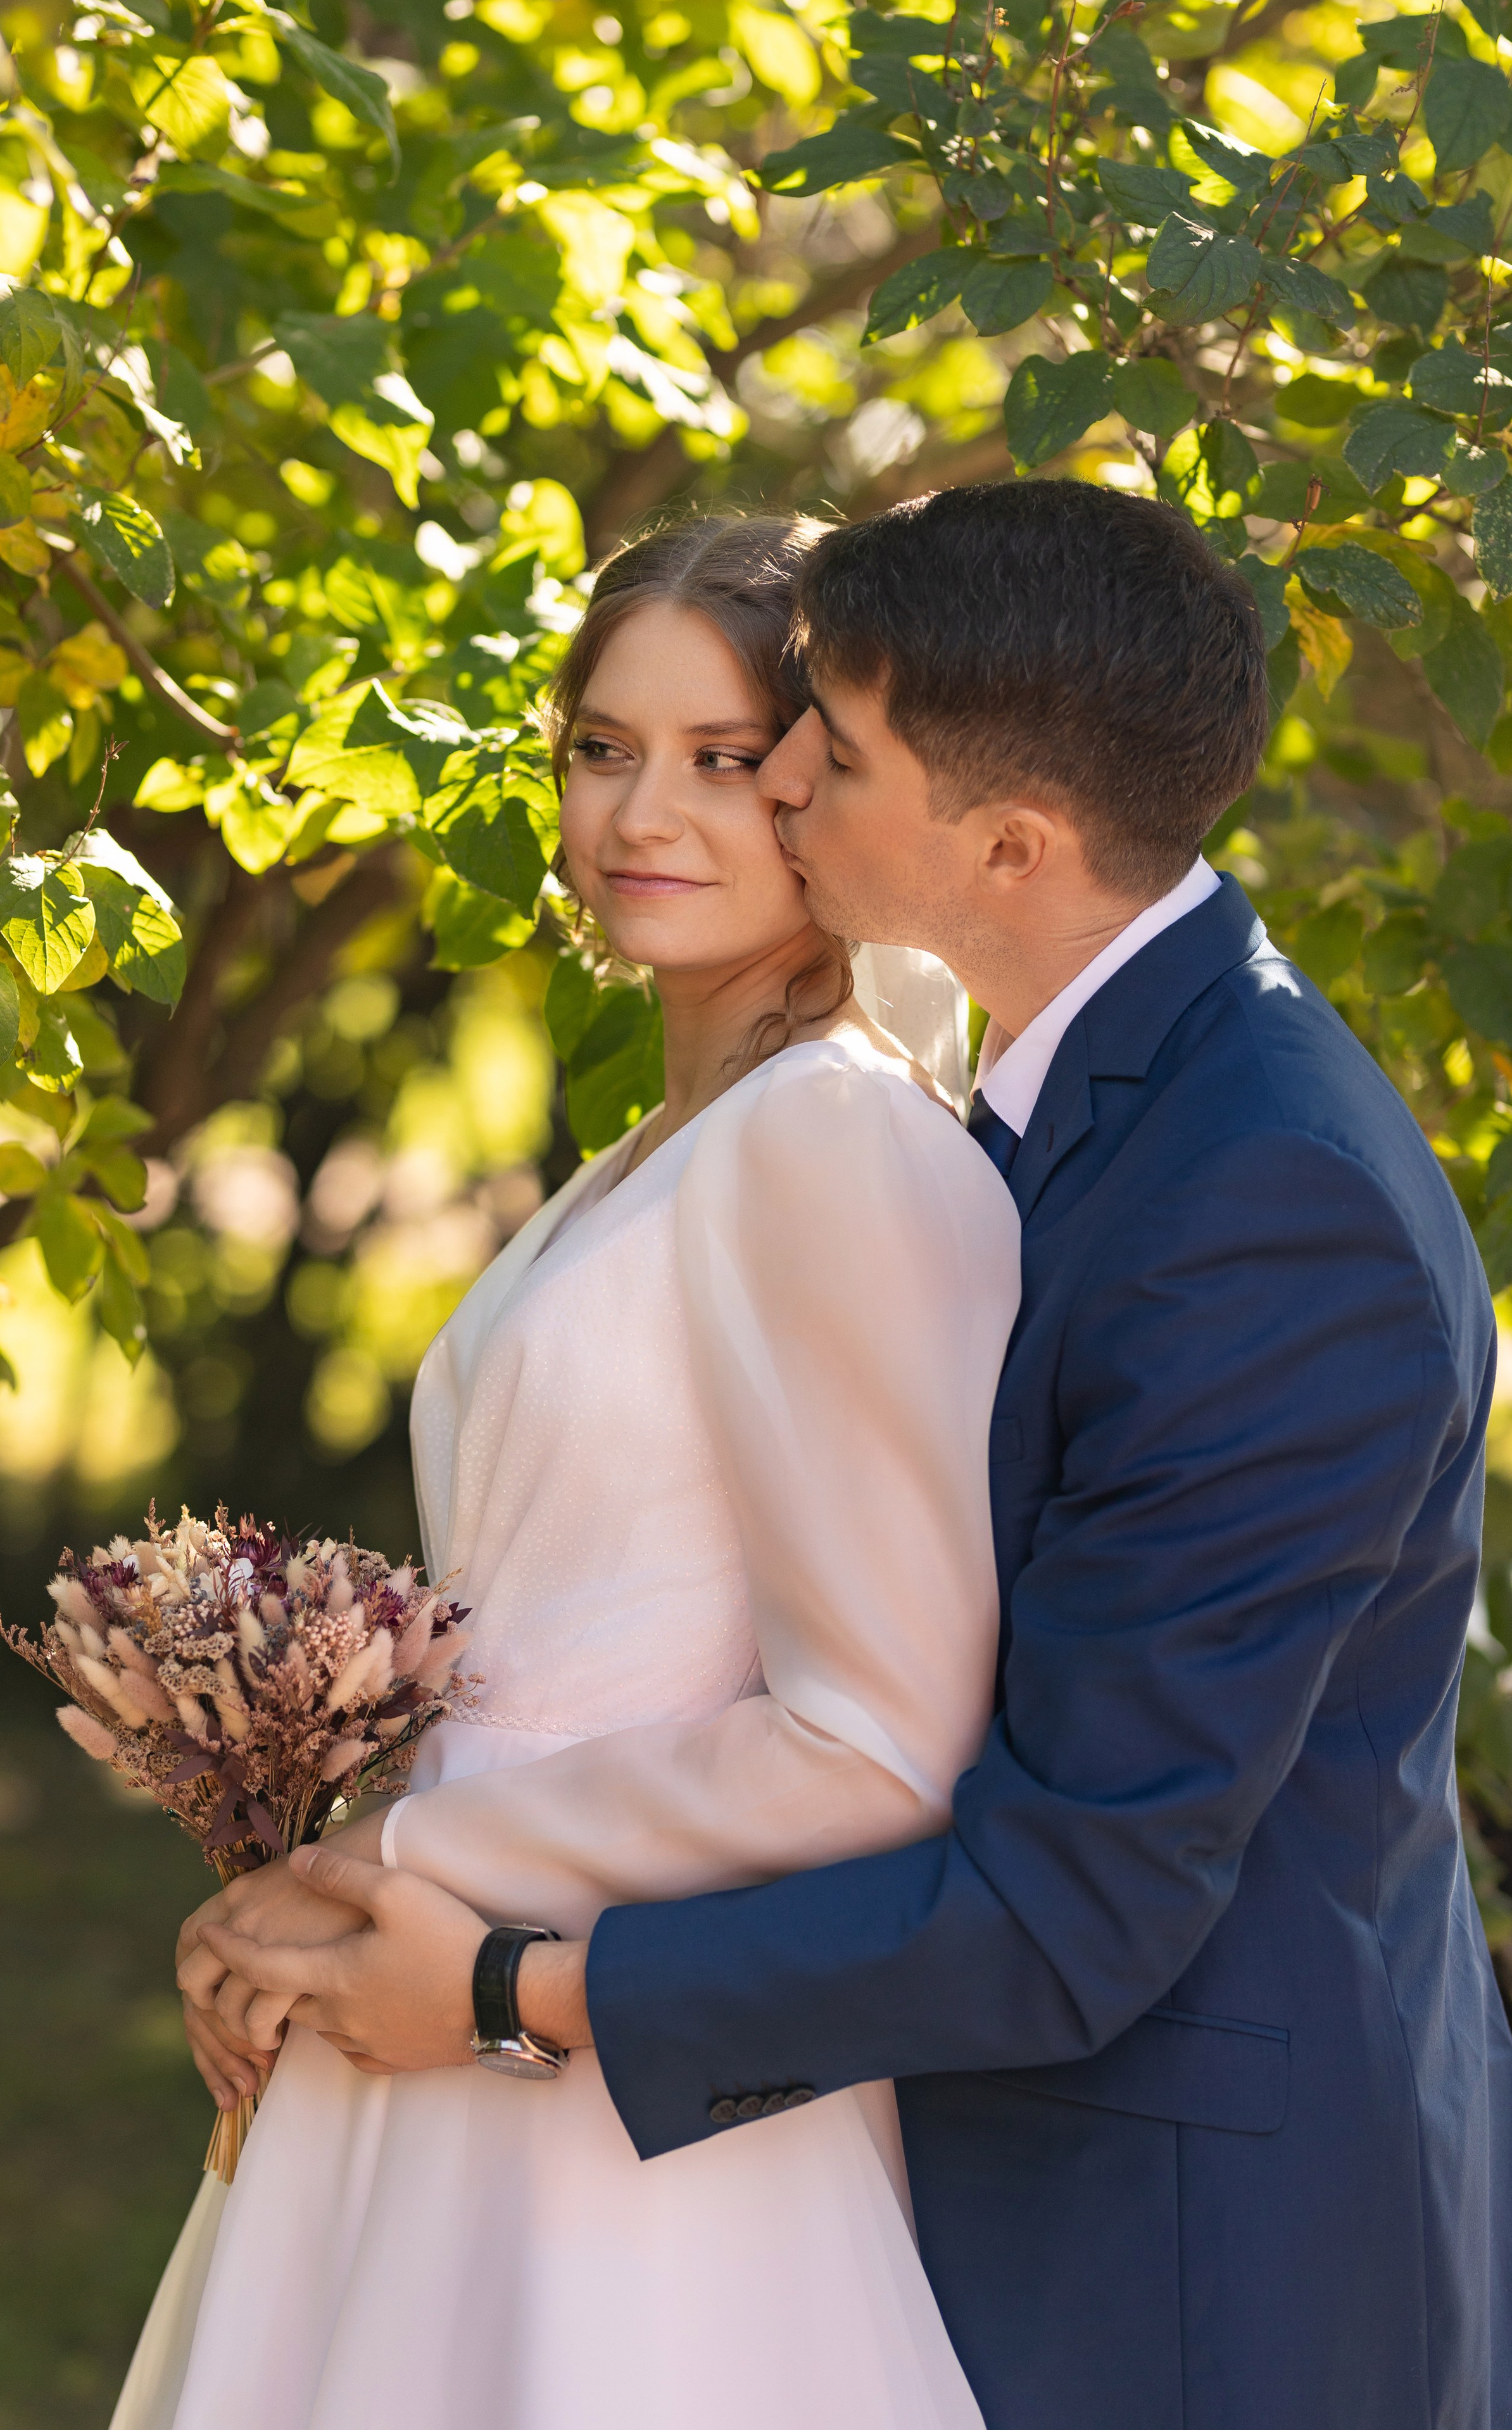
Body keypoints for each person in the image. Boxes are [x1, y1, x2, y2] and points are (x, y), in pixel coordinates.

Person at [181, 480, 1512, 2430]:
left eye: (811, 760)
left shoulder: (1270, 1198)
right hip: (933, 2121)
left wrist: (496, 1978)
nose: (765, 805)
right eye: (612, 750)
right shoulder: (1056, 1114)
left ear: (1006, 841)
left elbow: (1070, 1886)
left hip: (1199, 2256)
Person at [118, 512, 1018, 2430]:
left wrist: (389, 1869)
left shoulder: (832, 1145)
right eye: (603, 748)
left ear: (823, 789)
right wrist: (300, 1843)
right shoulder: (655, 1148)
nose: (642, 814)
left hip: (611, 2093)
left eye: (722, 761)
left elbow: (876, 1744)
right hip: (423, 2019)